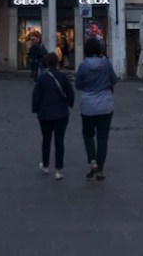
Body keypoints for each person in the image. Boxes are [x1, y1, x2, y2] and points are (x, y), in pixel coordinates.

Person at [75, 37, 117, 181]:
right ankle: (100, 169)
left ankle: (93, 161)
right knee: (102, 137)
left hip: (88, 105)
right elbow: (114, 80)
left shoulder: (83, 66)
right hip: (105, 104)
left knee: (88, 134)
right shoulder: (106, 64)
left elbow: (78, 85)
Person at [32, 52, 75, 180]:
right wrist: (69, 104)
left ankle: (45, 165)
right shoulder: (63, 77)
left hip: (45, 114)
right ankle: (58, 170)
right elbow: (70, 93)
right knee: (59, 141)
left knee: (46, 139)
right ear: (57, 63)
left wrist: (36, 109)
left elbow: (36, 96)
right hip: (61, 114)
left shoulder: (42, 78)